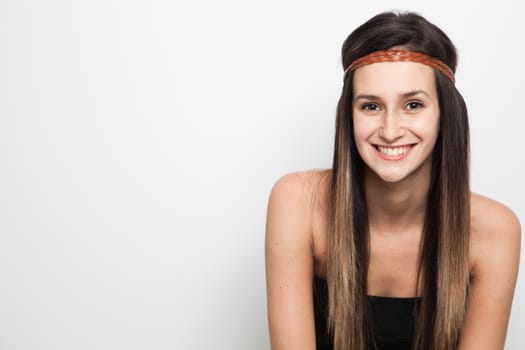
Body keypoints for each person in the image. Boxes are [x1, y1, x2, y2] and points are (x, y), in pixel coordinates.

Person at [264, 11, 521, 350]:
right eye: (371, 107)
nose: (390, 130)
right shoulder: (297, 202)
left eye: (413, 104)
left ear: (445, 114)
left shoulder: (495, 230)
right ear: (349, 117)